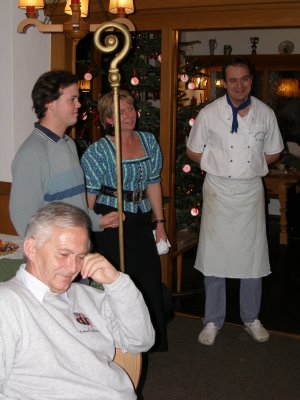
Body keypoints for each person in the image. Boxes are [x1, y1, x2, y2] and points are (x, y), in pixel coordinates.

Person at [0, 202, 155, 399]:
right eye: (64, 254)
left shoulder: (88, 297)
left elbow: (141, 341)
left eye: (81, 256)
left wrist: (117, 283)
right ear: (31, 248)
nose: (73, 267)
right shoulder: (7, 303)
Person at [186, 56, 284, 346]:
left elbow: (273, 152)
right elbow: (193, 151)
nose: (239, 85)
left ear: (251, 81)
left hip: (250, 191)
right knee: (214, 257)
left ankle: (251, 318)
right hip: (217, 190)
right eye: (233, 80)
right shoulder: (209, 113)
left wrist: (249, 166)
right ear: (224, 83)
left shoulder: (265, 114)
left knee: (252, 258)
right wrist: (217, 163)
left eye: (244, 79)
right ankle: (212, 320)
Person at [81, 89, 168, 351]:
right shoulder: (98, 152)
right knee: (117, 280)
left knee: (147, 278)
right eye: (120, 112)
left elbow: (153, 183)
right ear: (108, 119)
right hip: (111, 220)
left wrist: (160, 223)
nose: (129, 115)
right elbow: (90, 199)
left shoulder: (148, 141)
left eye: (130, 108)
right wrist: (89, 231)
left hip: (141, 219)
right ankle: (116, 345)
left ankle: (148, 341)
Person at [9, 70, 120, 239]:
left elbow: (75, 206)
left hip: (75, 252)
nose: (79, 104)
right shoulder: (33, 153)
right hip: (55, 260)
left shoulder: (68, 144)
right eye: (72, 99)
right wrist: (58, 255)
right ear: (50, 103)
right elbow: (25, 222)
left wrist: (97, 221)